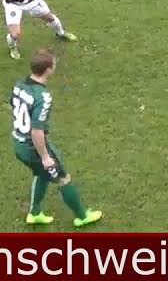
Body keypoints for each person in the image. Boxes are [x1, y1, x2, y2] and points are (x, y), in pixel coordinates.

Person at [11, 49, 104, 227]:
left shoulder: (19, 85)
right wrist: (45, 156)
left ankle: (35, 213)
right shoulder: (42, 97)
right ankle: (82, 216)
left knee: (41, 174)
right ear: (48, 70)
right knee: (62, 177)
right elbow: (37, 131)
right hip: (33, 147)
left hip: (18, 143)